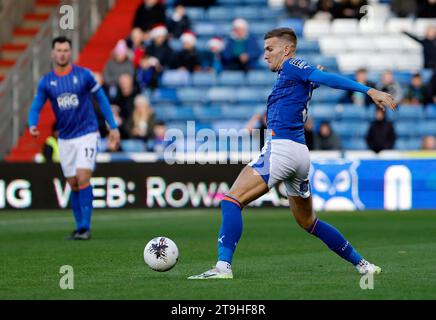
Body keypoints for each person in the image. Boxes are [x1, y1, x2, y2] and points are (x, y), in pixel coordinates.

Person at [188, 28, 395, 280]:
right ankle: (363, 265)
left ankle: (222, 267)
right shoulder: (292, 75)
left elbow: (325, 77)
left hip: (282, 149)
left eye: (270, 49)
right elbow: (312, 82)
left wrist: (369, 90)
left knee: (231, 200)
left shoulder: (293, 65)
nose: (265, 55)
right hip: (300, 155)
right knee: (309, 222)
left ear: (286, 50)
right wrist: (313, 80)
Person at [28, 36, 120, 240]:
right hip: (65, 138)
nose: (62, 53)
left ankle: (85, 228)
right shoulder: (47, 82)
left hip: (87, 133)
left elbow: (102, 99)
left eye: (66, 50)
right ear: (53, 53)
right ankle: (79, 227)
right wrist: (32, 123)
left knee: (83, 177)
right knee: (73, 183)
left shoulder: (84, 75)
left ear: (71, 52)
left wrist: (112, 126)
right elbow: (36, 106)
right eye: (59, 50)